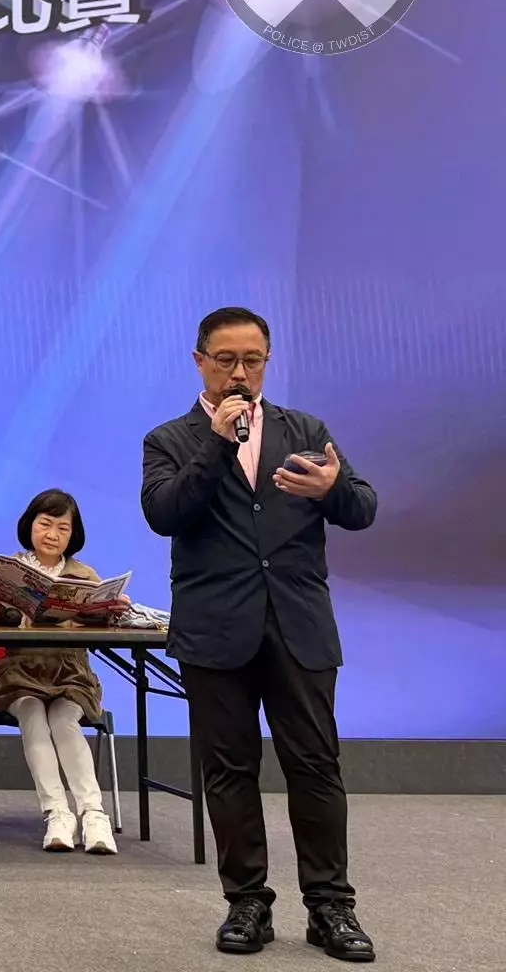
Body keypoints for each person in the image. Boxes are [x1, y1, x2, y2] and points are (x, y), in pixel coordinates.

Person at [142, 307, 378, 962]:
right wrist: (218, 444)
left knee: (316, 766)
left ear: (268, 361)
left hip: (298, 624)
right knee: (229, 770)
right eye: (226, 360)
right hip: (215, 629)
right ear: (200, 362)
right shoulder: (170, 439)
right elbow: (165, 512)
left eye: (253, 360)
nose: (240, 373)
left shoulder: (306, 431)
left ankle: (331, 907)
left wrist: (332, 489)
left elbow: (363, 507)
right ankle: (246, 902)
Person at [0, 489, 118, 855]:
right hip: (20, 673)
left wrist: (111, 608)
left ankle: (93, 814)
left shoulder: (84, 575)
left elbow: (99, 624)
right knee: (33, 713)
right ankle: (57, 814)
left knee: (64, 720)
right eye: (45, 524)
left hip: (70, 674)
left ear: (73, 534)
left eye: (62, 528)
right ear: (30, 525)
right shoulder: (8, 570)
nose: (52, 535)